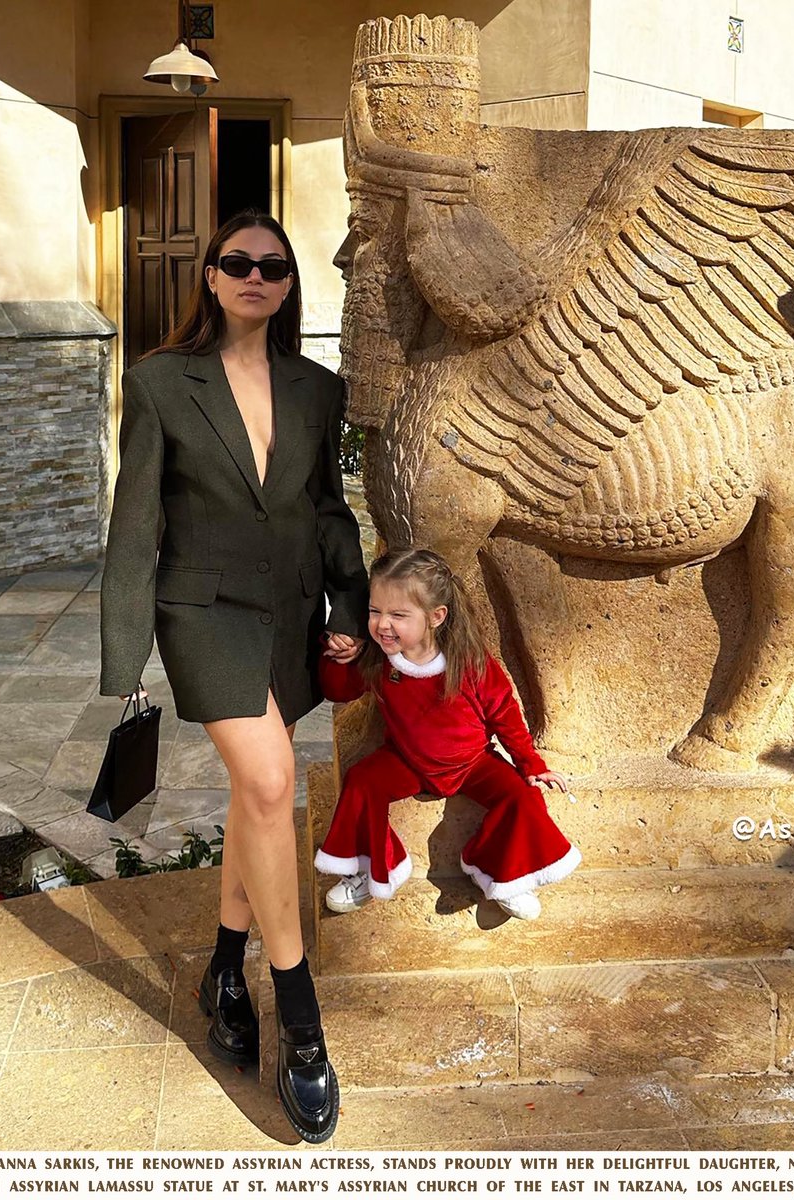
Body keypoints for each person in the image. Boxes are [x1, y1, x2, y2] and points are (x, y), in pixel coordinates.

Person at [99, 209, 367, 1144]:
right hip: (201, 611)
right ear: (211, 278)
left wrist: (347, 606)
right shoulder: (161, 383)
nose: (255, 276)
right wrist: (123, 657)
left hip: (289, 618)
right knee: (266, 781)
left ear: (289, 286)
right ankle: (298, 1017)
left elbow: (328, 510)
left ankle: (221, 967)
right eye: (237, 263)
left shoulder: (316, 389)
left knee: (257, 802)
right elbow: (135, 523)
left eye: (274, 266)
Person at [315, 548, 581, 920]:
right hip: (407, 762)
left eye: (398, 615)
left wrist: (530, 763)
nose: (382, 624)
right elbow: (339, 690)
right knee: (361, 781)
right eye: (375, 612)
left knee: (523, 798)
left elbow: (504, 714)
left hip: (473, 763)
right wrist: (338, 652)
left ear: (436, 617)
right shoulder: (379, 658)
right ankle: (371, 869)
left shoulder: (469, 662)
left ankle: (504, 874)